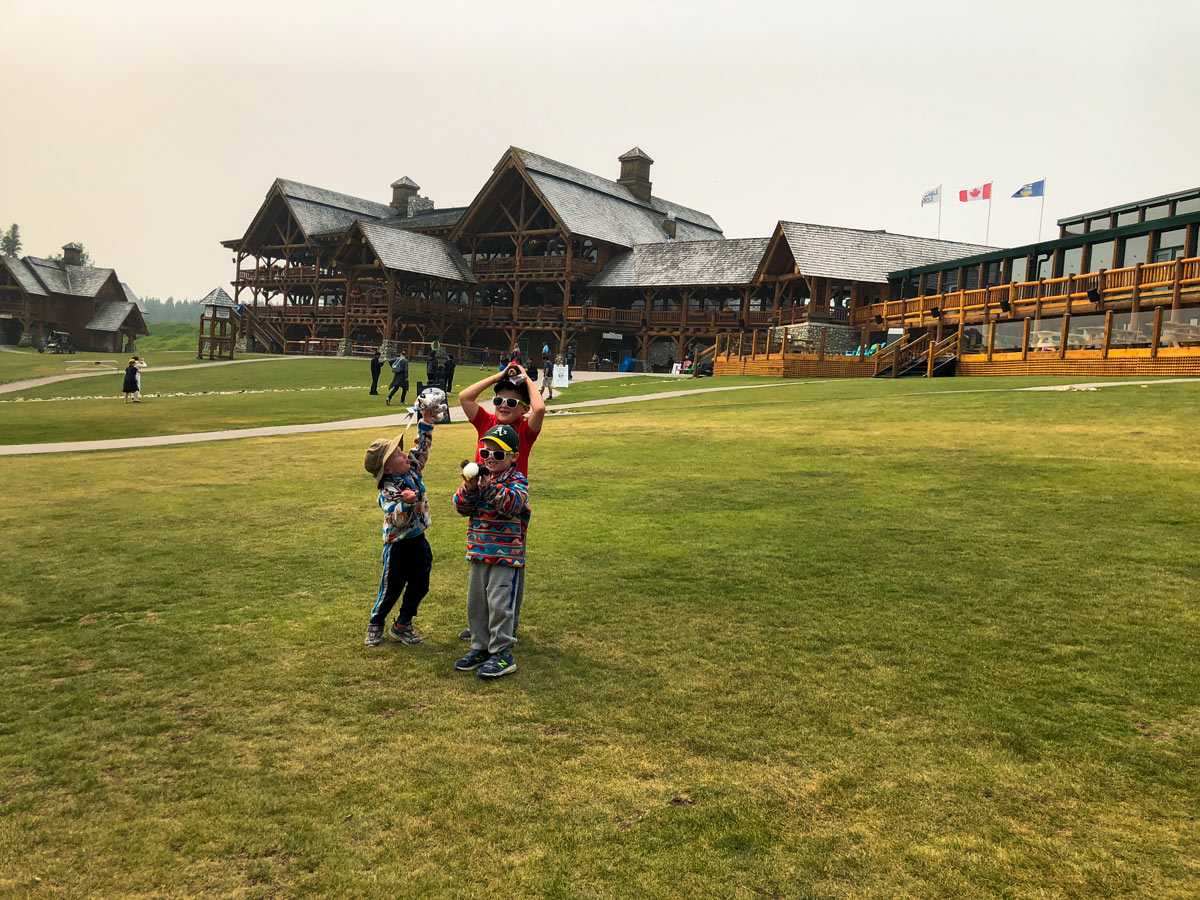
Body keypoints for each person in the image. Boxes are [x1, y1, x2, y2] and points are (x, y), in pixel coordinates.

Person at [456, 362, 546, 641]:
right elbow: (464, 397)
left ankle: (508, 627)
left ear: (523, 409)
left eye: (511, 402)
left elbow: (540, 409)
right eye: (498, 400)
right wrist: (499, 376)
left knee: (508, 572)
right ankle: (481, 627)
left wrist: (526, 378)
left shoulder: (524, 430)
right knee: (482, 572)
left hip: (510, 505)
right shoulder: (487, 423)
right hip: (483, 501)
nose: (503, 405)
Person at [452, 424, 531, 679]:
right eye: (486, 453)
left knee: (499, 605)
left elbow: (510, 504)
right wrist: (471, 487)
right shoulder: (479, 481)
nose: (489, 459)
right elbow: (461, 507)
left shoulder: (517, 482)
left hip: (506, 557)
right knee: (477, 605)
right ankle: (481, 647)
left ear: (513, 458)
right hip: (478, 552)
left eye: (498, 455)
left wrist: (486, 485)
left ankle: (502, 652)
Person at [361, 402, 440, 646]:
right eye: (397, 454)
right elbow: (395, 517)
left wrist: (426, 422)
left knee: (421, 584)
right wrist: (405, 504)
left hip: (418, 540)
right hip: (398, 545)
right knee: (391, 587)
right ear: (388, 468)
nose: (404, 454)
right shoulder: (388, 491)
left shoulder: (411, 471)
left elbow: (420, 450)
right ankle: (376, 622)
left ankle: (403, 623)